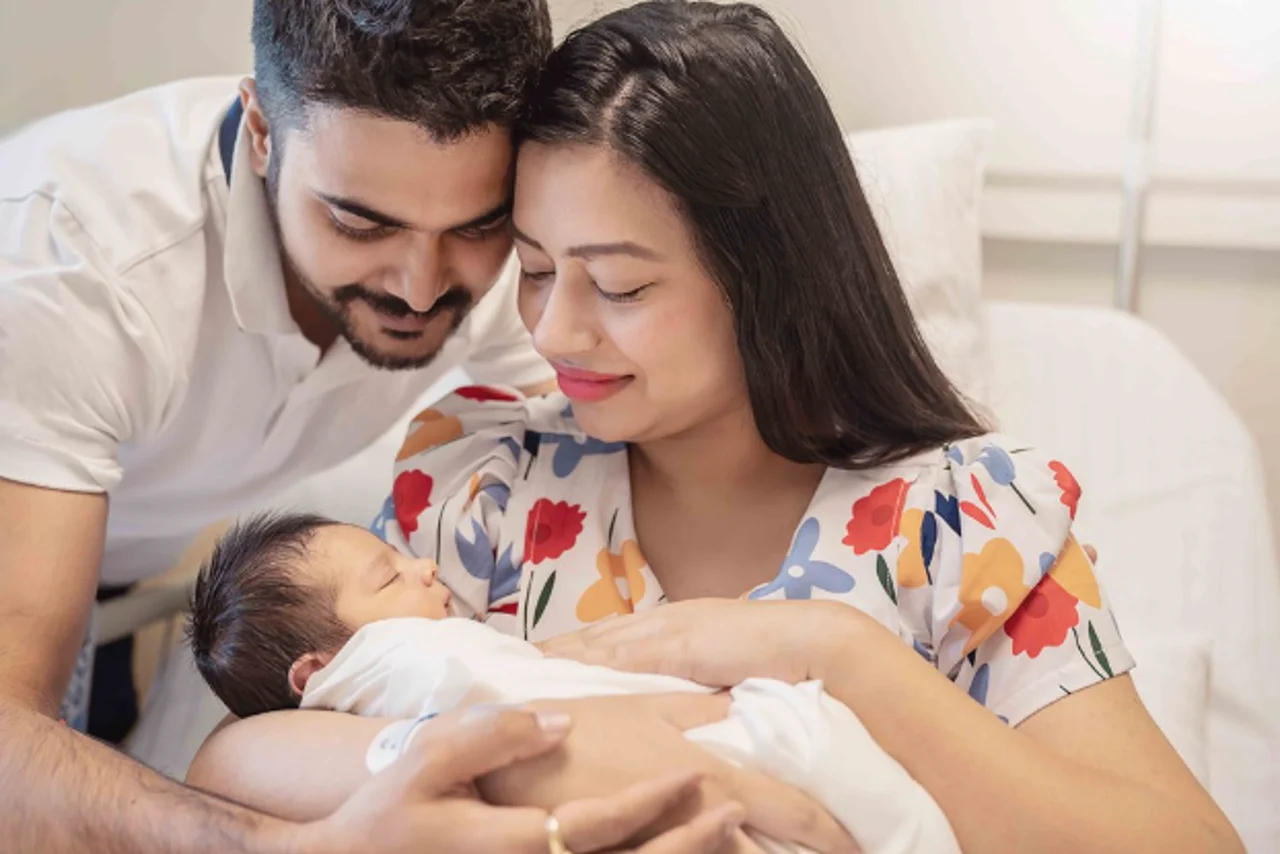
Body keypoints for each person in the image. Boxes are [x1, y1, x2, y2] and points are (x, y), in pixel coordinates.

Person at [192, 2, 1246, 853]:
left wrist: (828, 650)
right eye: (538, 268)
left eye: (614, 282)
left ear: (764, 281)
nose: (552, 326)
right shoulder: (479, 487)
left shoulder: (965, 525)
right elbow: (237, 766)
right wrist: (658, 762)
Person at [0, 0, 818, 850]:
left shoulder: (518, 265)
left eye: (478, 227)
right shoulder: (73, 273)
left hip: (125, 570)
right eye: (360, 222)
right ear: (260, 132)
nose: (423, 288)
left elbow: (647, 417)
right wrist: (294, 847)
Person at [184, 511, 953, 853]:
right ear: (318, 673)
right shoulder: (395, 660)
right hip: (729, 746)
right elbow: (503, 705)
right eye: (389, 576)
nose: (424, 566)